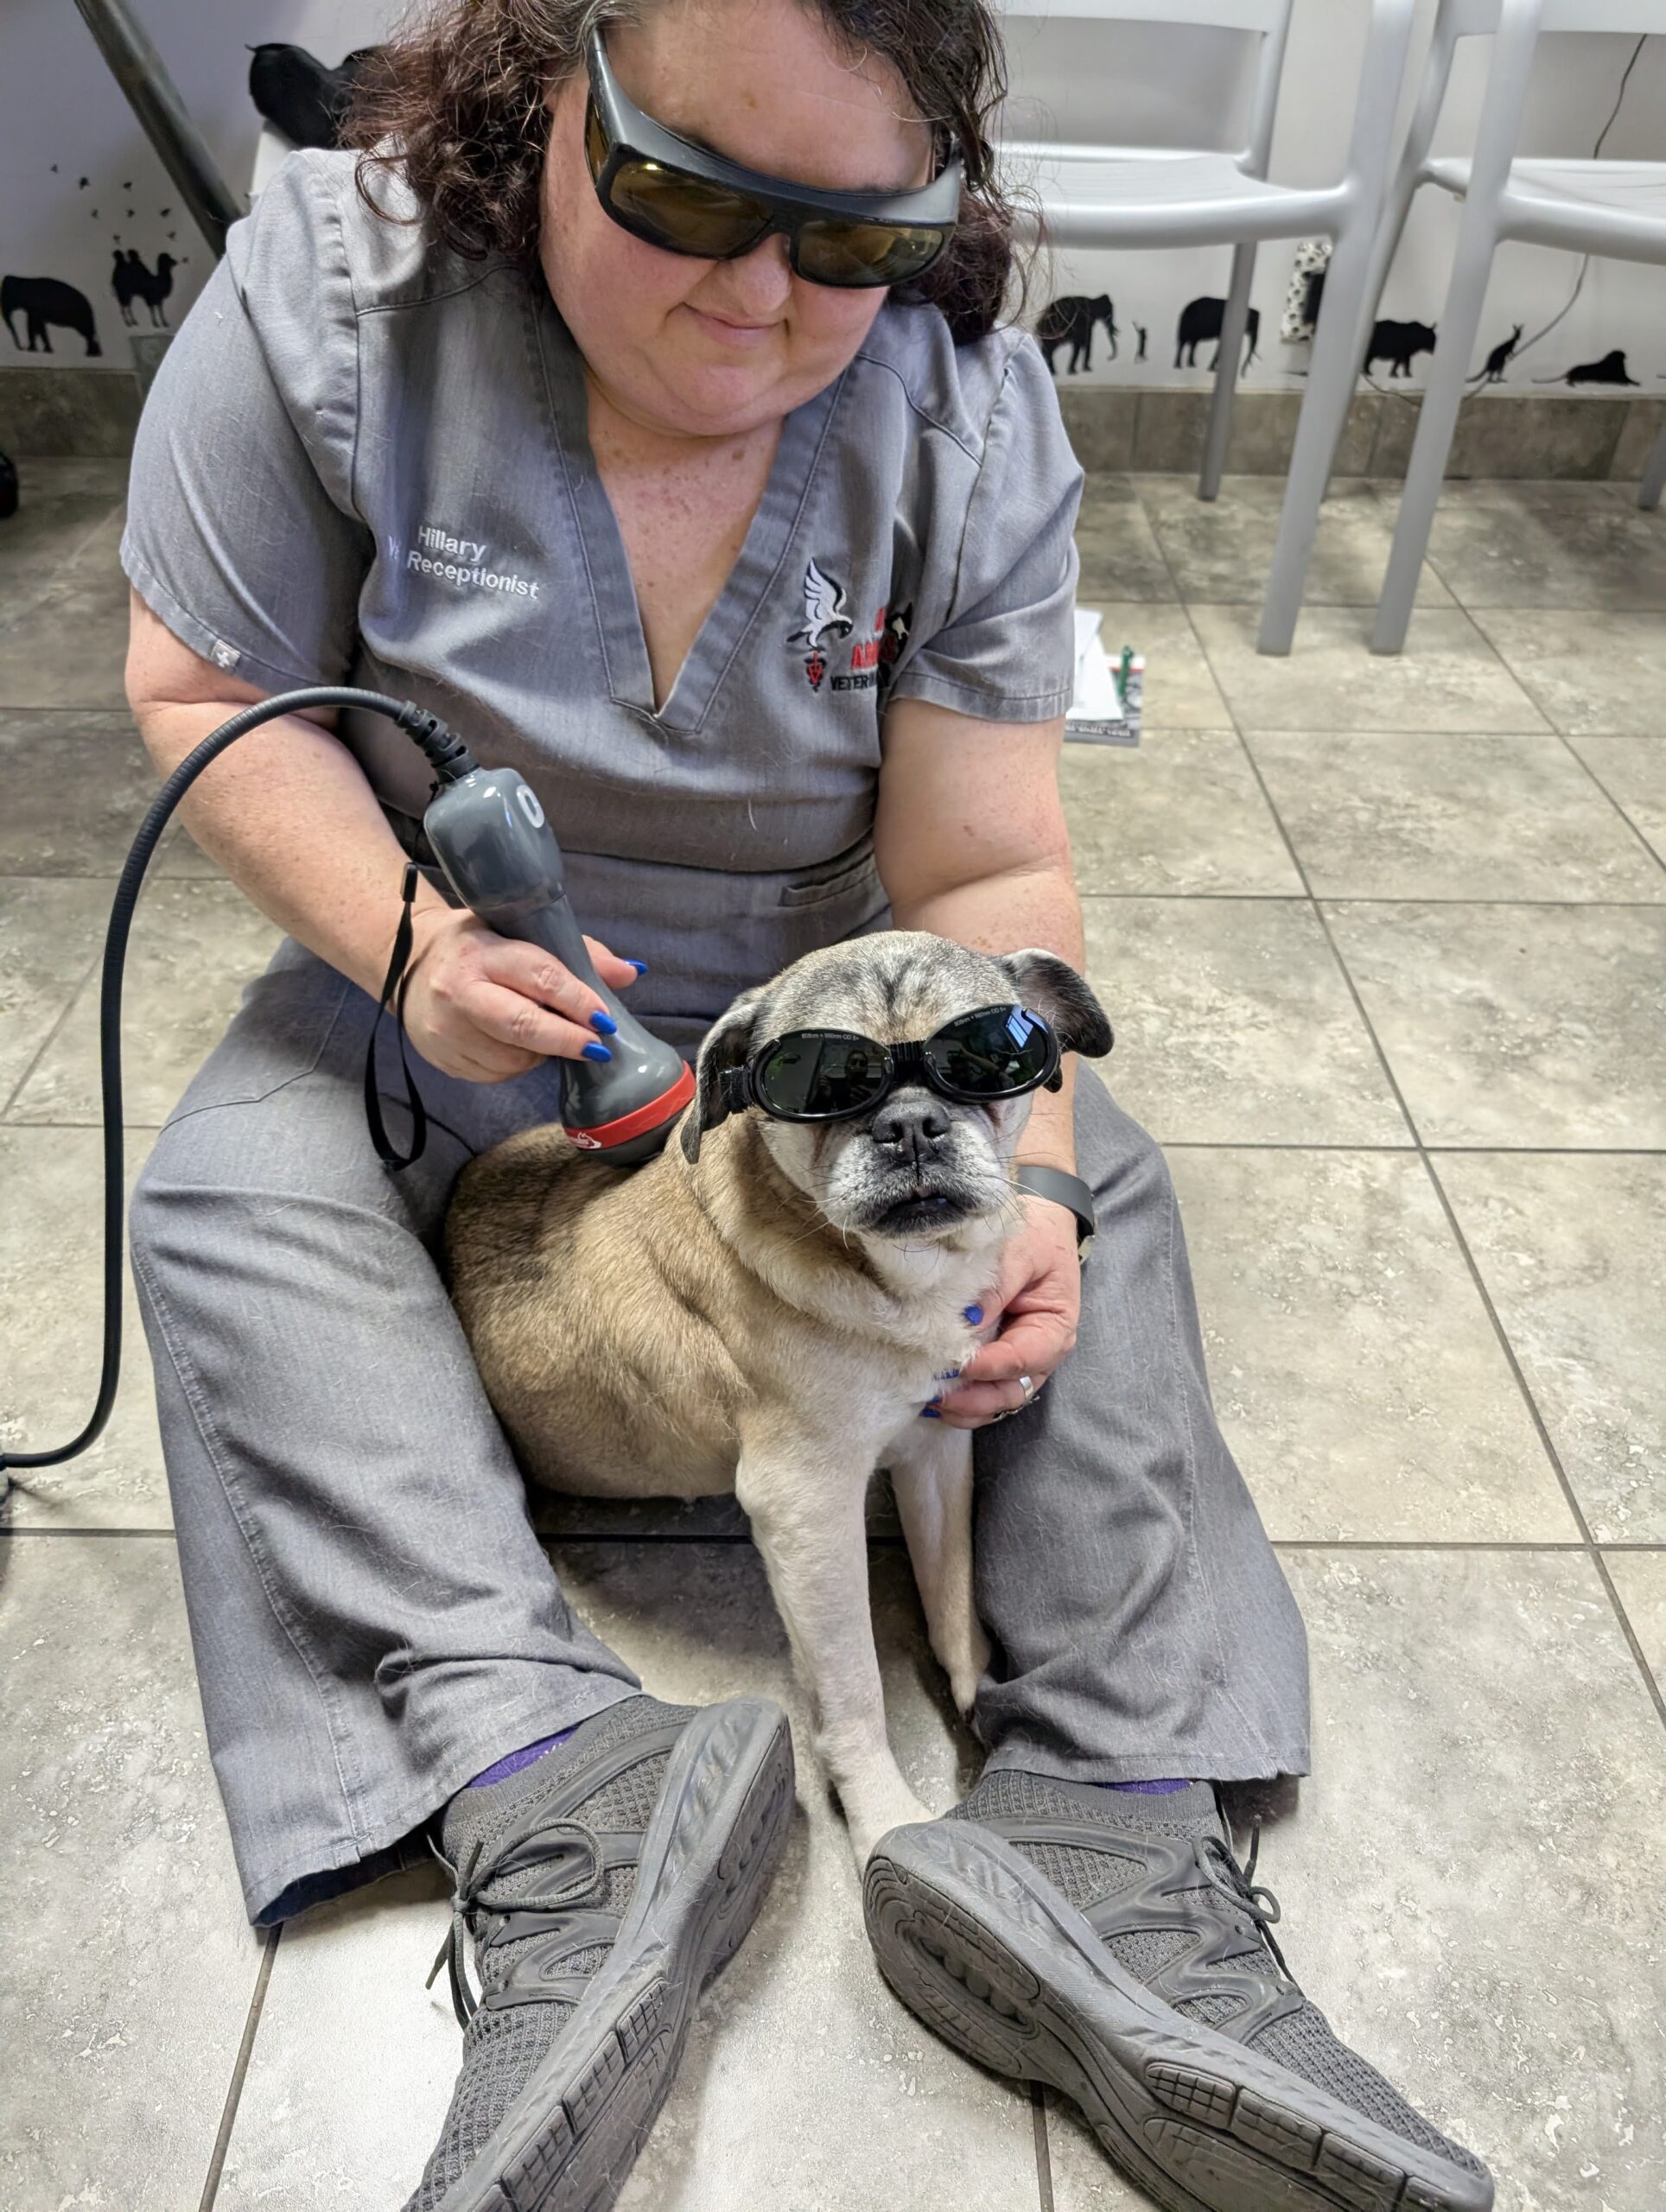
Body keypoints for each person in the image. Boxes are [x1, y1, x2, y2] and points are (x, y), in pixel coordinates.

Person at [118, 2, 1492, 2208]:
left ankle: (1108, 1837)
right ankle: (553, 1771)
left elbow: (974, 875)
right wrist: (396, 944)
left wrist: (1023, 1180)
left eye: (848, 240)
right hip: (456, 981)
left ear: (937, 207)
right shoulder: (333, 298)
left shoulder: (965, 410)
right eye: (681, 193)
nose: (757, 299)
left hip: (824, 1040)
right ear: (544, 94)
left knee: (1097, 1203)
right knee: (230, 1199)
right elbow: (195, 684)